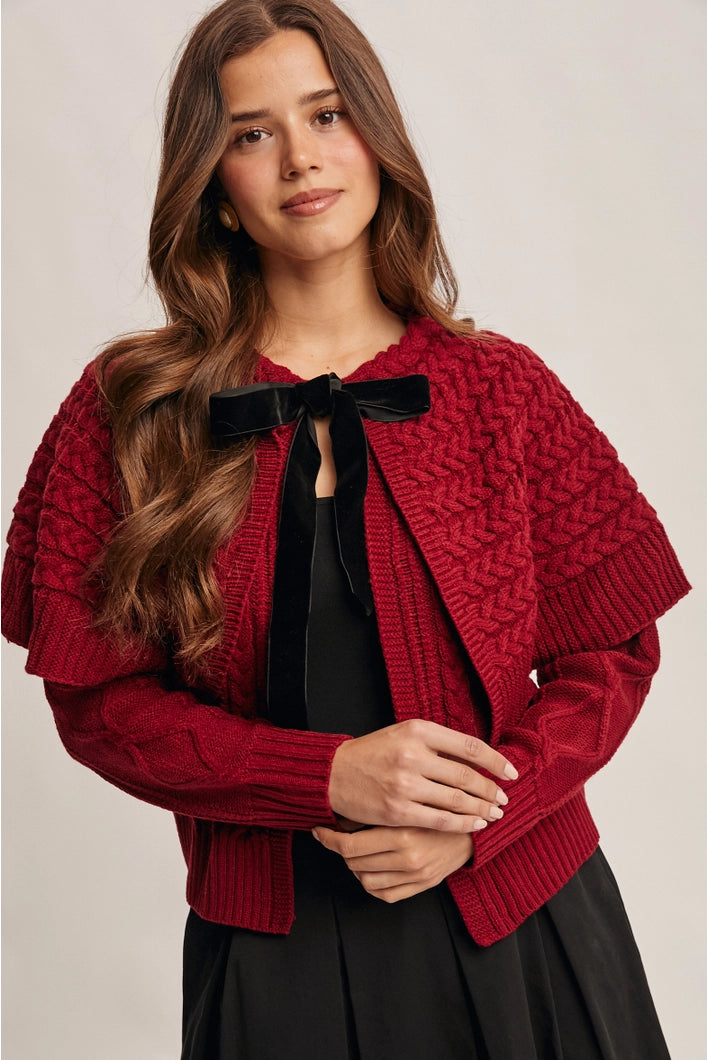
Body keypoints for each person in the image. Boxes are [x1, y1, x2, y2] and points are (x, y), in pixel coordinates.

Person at [1, 0, 691, 1056]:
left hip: (522, 924)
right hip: (273, 960)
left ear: (375, 136)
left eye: (325, 115)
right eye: (251, 132)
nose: (299, 161)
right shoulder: (134, 409)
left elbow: (613, 651)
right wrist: (321, 775)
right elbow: (97, 704)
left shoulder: (497, 388)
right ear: (215, 186)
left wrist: (477, 824)